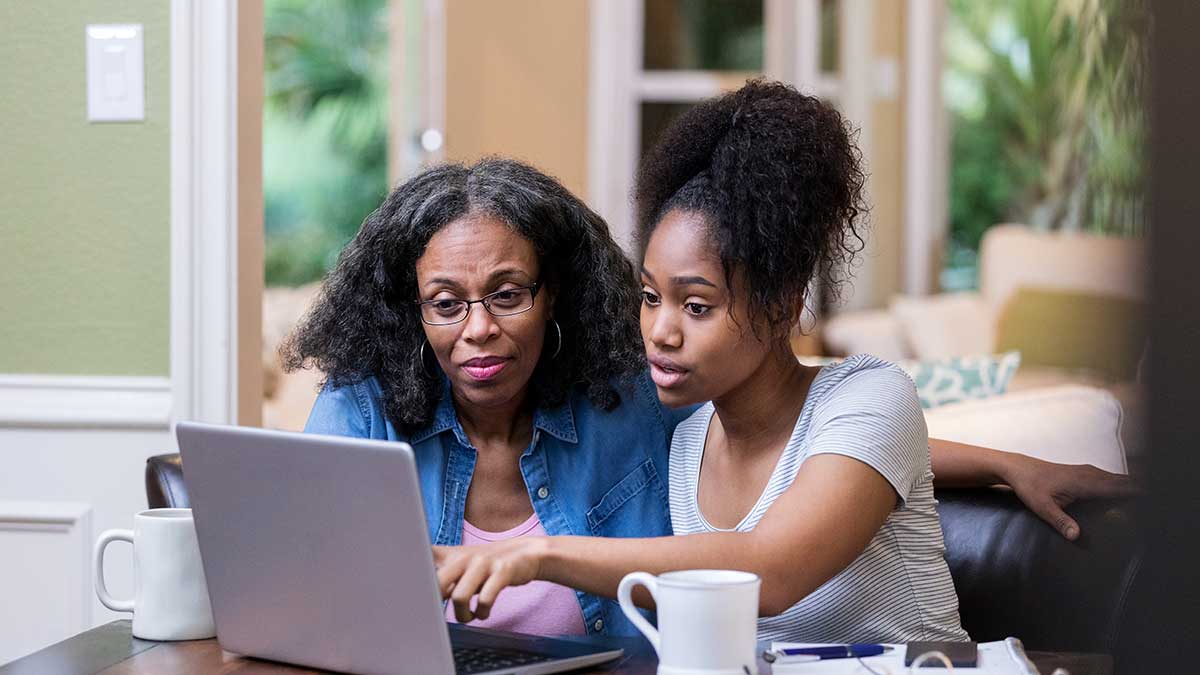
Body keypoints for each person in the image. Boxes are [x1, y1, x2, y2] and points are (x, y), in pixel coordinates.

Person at [287, 155, 1132, 640]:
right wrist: (999, 455)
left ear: (558, 298)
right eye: (446, 304)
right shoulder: (363, 411)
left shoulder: (626, 403)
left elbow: (801, 456)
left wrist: (1006, 460)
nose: (477, 328)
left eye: (509, 294)